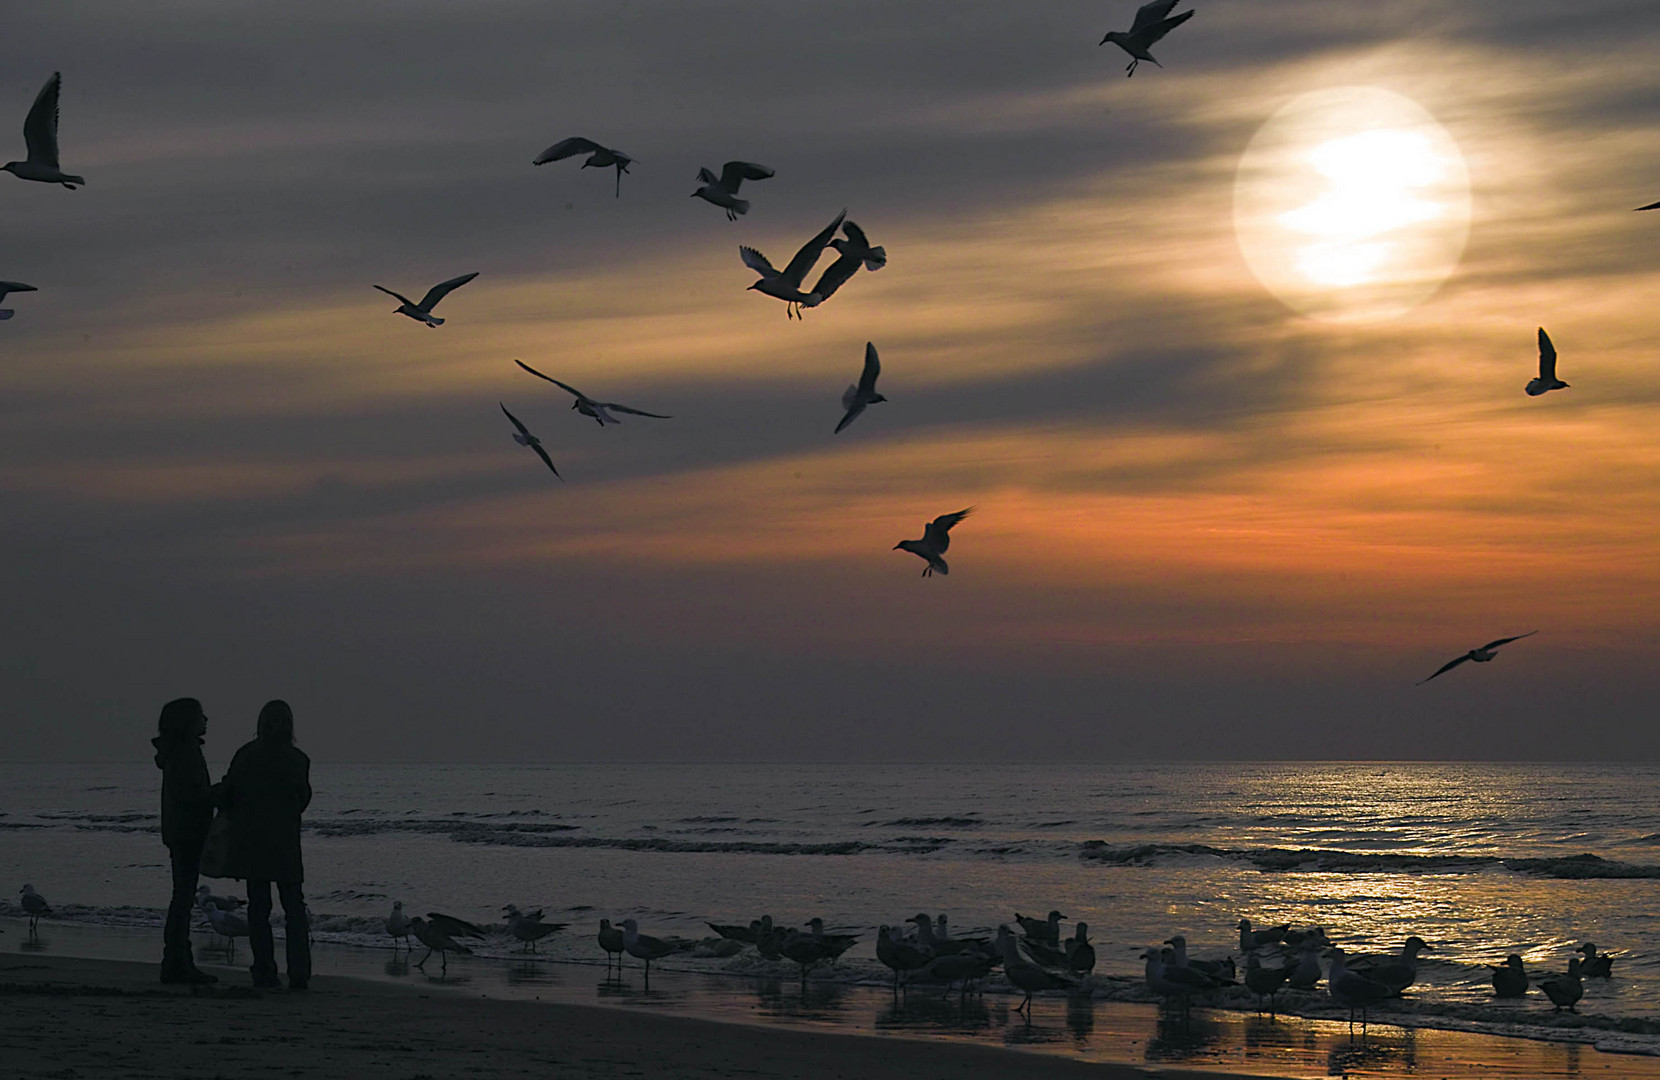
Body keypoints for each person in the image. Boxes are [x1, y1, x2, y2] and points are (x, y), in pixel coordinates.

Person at [220, 699, 312, 990]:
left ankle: (264, 971)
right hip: (284, 840)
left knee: (258, 906)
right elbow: (303, 799)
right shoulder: (297, 759)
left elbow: (229, 792)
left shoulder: (246, 755)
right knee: (294, 907)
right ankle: (299, 972)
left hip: (252, 840)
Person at [152, 697, 219, 984]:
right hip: (187, 832)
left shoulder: (179, 751)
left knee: (182, 895)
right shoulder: (185, 753)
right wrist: (220, 793)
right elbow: (192, 795)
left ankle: (178, 960)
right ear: (188, 722)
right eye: (201, 716)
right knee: (182, 897)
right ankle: (177, 962)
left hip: (180, 830)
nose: (206, 720)